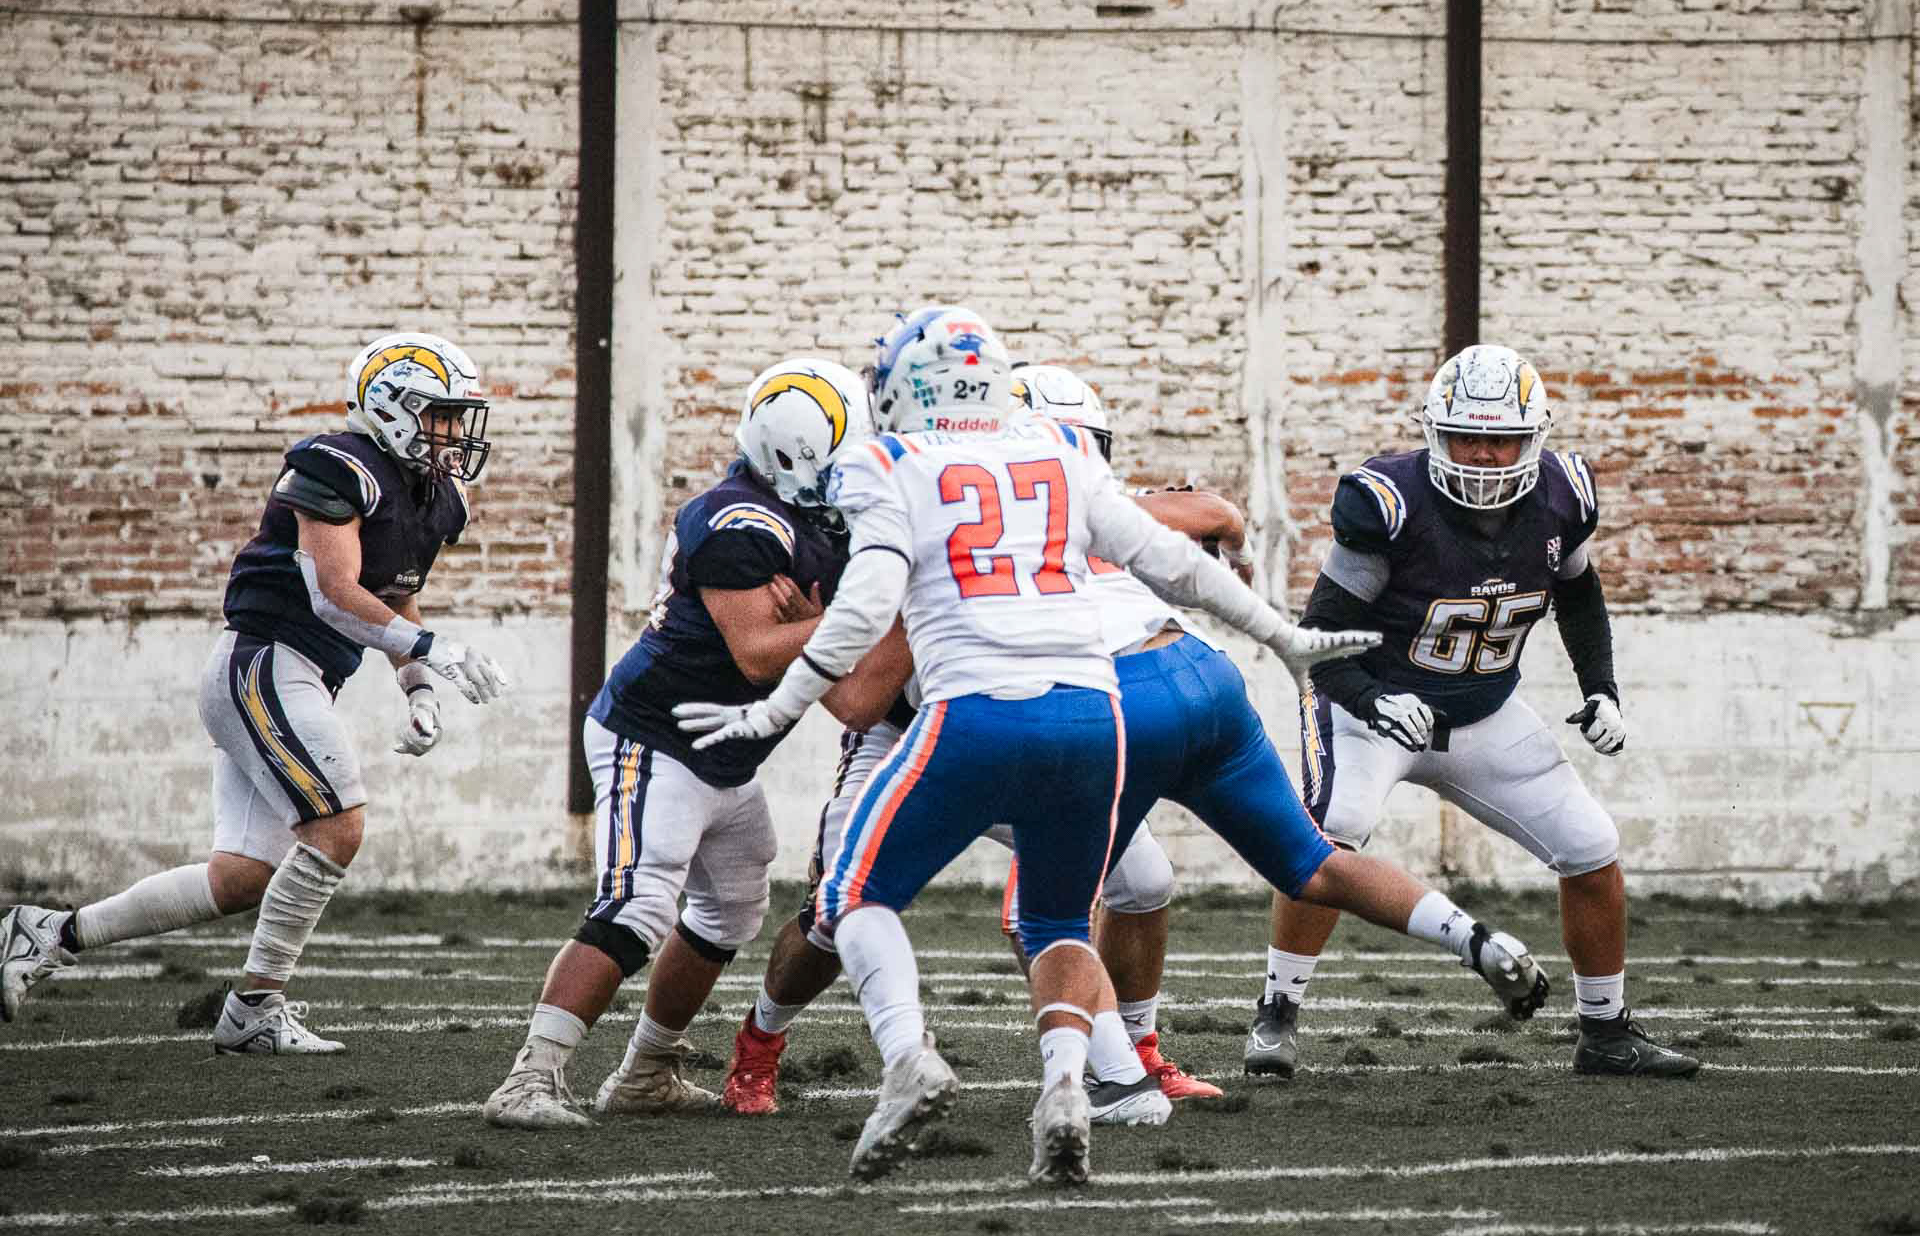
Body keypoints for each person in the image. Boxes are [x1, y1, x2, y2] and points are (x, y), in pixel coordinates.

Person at [677, 307, 1536, 1187]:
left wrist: (779, 699)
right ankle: (793, 1049)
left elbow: (859, 662)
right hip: (1049, 713)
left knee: (902, 897)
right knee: (938, 916)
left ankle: (1052, 1065)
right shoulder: (1043, 462)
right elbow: (1178, 547)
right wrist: (1279, 632)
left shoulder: (901, 467)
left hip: (975, 712)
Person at [718, 365, 1241, 1127]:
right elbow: (861, 700)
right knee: (837, 907)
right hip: (910, 724)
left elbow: (1203, 511)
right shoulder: (911, 505)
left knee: (1141, 878)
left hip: (1011, 719)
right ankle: (760, 1042)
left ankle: (1133, 1057)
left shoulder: (1039, 496)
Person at [0, 332, 508, 1053]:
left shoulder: (434, 496)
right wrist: (437, 649)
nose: (455, 433)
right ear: (394, 408)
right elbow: (332, 594)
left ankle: (47, 933)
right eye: (443, 415)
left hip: (299, 676)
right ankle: (256, 1009)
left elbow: (396, 593)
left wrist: (418, 684)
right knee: (338, 827)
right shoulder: (337, 465)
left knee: (241, 877)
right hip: (265, 663)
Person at [1243, 343, 1700, 1081]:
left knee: (1591, 846)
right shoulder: (1388, 504)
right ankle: (1277, 1011)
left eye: (1502, 440)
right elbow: (1317, 643)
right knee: (1330, 837)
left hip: (1485, 711)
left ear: (1534, 438)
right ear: (1436, 432)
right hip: (1370, 709)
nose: (1485, 455)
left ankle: (1606, 1033)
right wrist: (1374, 699)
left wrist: (1602, 688)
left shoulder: (1562, 498)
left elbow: (1579, 593)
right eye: (1466, 437)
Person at [481, 357, 907, 1129]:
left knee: (732, 909)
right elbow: (757, 652)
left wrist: (825, 624)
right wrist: (852, 618)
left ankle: (647, 1070)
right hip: (656, 735)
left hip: (724, 754)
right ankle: (529, 1077)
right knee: (636, 907)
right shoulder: (737, 521)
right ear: (797, 456)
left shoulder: (815, 522)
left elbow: (839, 685)